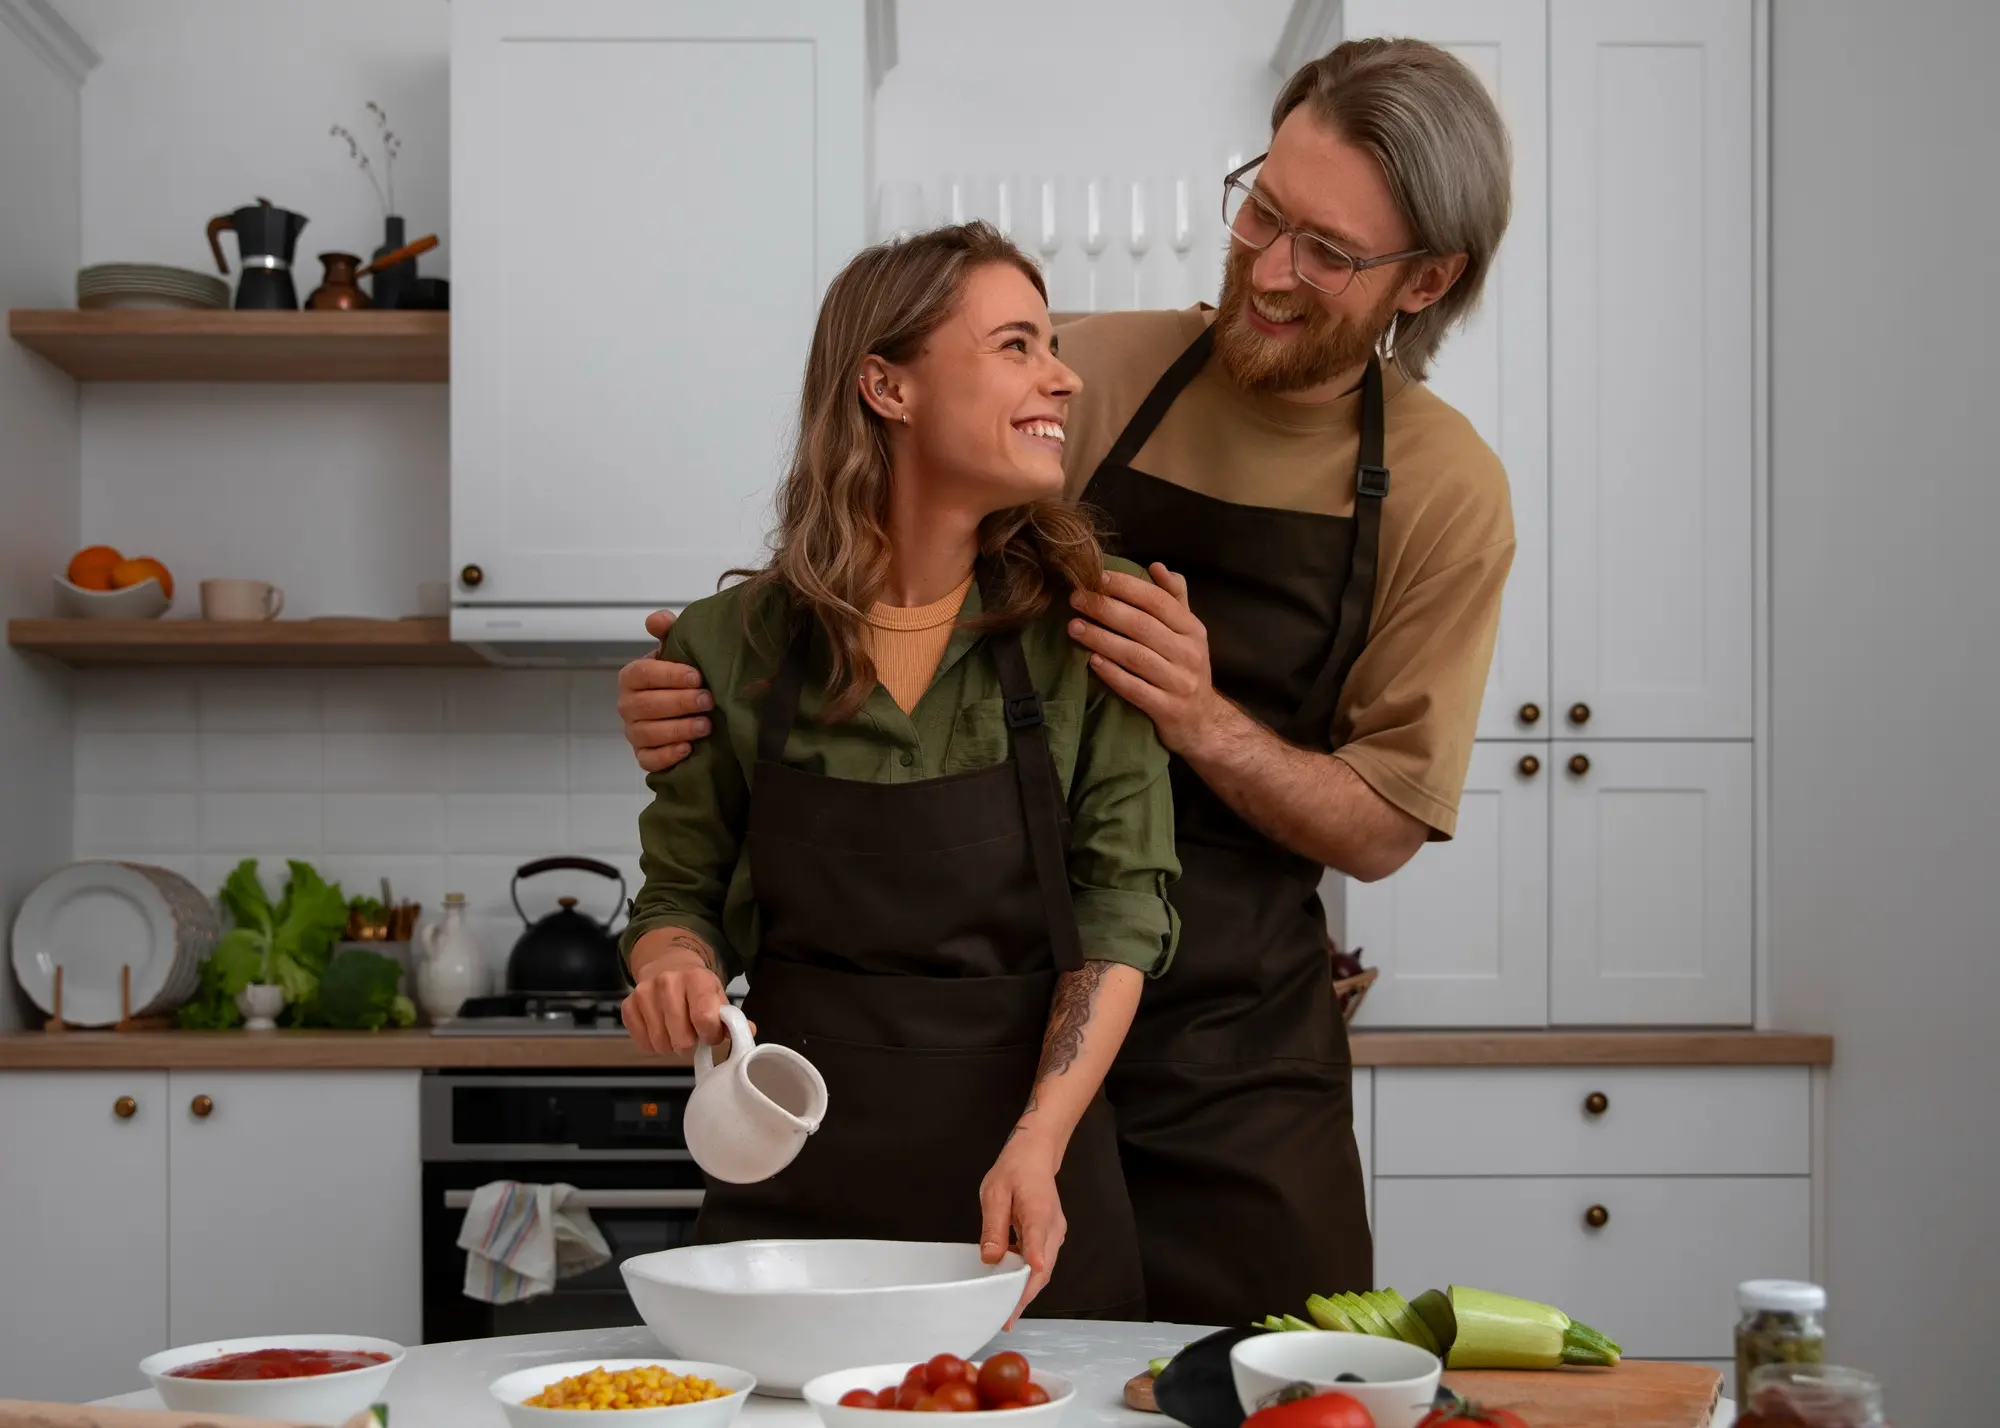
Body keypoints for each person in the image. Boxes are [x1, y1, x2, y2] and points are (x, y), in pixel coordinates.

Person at [618, 38, 1514, 1327]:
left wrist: (1199, 720)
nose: (1265, 269)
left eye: (1325, 251)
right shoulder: (1096, 377)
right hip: (998, 1047)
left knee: (1270, 1383)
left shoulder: (1444, 490)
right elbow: (881, 546)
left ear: (1425, 279)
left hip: (1234, 1059)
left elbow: (1379, 827)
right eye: (1261, 209)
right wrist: (703, 680)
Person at [616, 222, 1180, 1323]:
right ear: (886, 385)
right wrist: (669, 969)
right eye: (1015, 345)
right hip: (791, 1207)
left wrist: (1036, 1144)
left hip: (1024, 1194)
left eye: (1049, 345)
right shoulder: (726, 645)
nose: (1060, 376)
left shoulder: (1096, 622)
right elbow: (677, 900)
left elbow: (1122, 914)